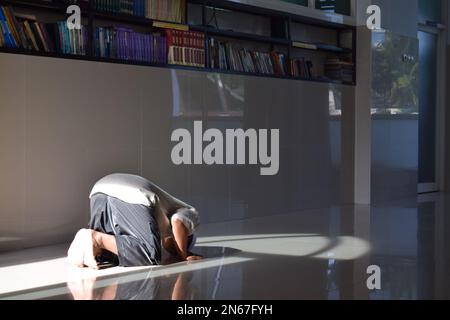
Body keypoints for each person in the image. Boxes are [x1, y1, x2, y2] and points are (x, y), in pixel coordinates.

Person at [67, 173, 202, 269]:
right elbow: (178, 222)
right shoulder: (190, 212)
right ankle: (95, 237)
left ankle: (84, 245)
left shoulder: (163, 220)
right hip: (133, 193)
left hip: (99, 190)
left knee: (106, 255)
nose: (173, 249)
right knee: (150, 253)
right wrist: (184, 255)